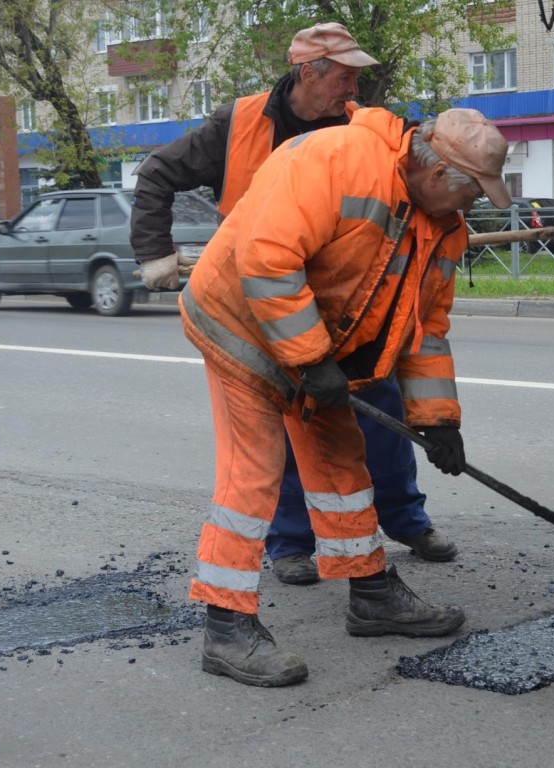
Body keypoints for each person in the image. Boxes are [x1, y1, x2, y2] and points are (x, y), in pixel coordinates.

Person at [180, 106, 511, 686]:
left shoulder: (442, 227)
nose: (472, 207)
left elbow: (424, 327)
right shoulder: (334, 160)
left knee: (341, 460)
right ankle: (226, 627)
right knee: (252, 473)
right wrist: (310, 359)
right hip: (242, 327)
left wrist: (438, 421)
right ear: (438, 174)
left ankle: (371, 593)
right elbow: (267, 261)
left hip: (314, 346)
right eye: (471, 192)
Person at [129, 23, 459, 591]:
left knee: (376, 413)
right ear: (310, 71)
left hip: (343, 305)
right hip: (262, 298)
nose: (354, 89)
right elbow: (158, 173)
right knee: (279, 433)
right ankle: (290, 546)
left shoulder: (364, 131)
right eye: (346, 76)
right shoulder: (238, 124)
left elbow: (417, 190)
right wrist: (156, 252)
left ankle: (403, 522)